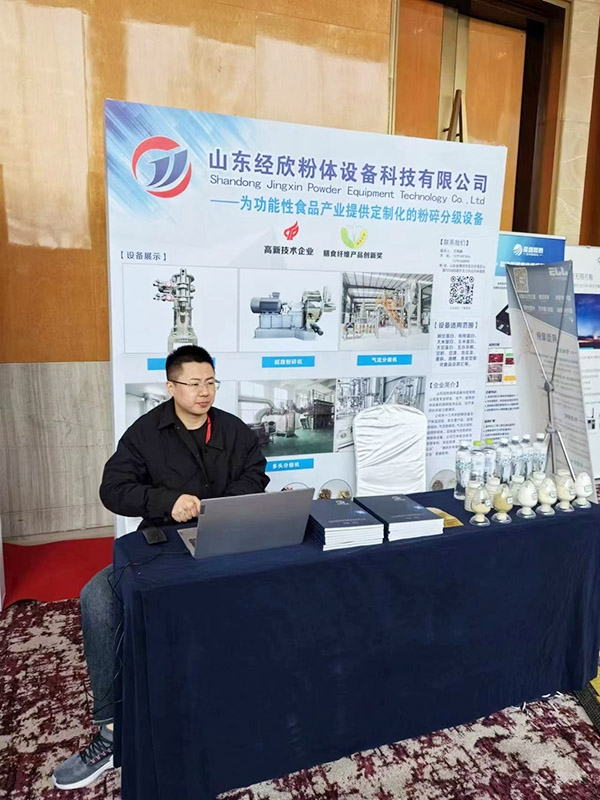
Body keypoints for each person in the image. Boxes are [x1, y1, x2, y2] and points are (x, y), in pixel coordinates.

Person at [52, 346, 269, 790]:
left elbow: (256, 474)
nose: (204, 392)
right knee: (97, 596)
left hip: (225, 538)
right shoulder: (145, 433)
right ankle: (112, 730)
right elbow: (113, 489)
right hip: (163, 543)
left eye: (210, 383)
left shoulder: (233, 430)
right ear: (171, 387)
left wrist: (219, 507)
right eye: (194, 383)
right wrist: (166, 502)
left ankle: (250, 708)